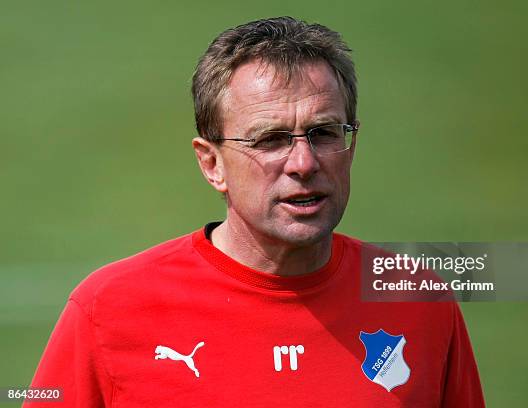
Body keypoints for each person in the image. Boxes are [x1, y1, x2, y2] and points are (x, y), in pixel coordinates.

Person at [26, 17, 485, 407]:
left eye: (324, 133)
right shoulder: (106, 311)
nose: (304, 163)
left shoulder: (418, 300)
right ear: (211, 163)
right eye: (270, 140)